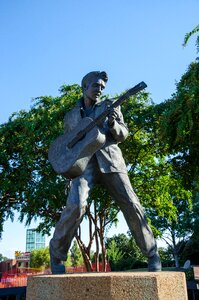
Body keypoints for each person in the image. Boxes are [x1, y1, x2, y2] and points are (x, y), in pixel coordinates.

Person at [49, 71, 162, 274]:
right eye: (96, 86)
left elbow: (123, 133)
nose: (100, 89)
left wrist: (112, 124)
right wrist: (69, 174)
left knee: (131, 203)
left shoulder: (111, 105)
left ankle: (152, 253)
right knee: (75, 205)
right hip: (84, 165)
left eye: (102, 87)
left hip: (110, 161)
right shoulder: (71, 116)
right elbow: (69, 145)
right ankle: (56, 256)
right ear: (85, 87)